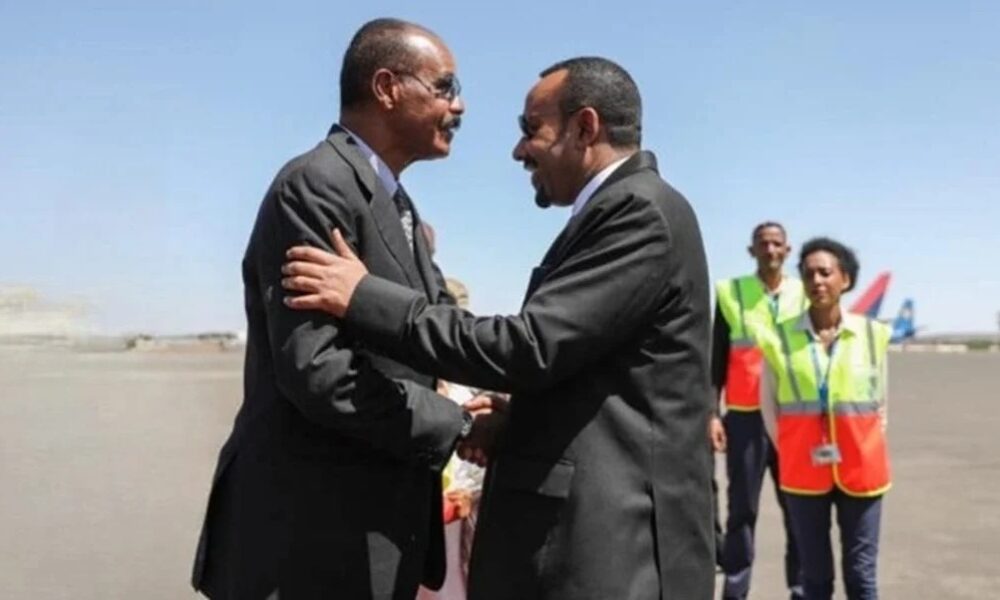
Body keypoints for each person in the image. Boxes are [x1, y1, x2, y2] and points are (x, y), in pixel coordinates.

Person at [280, 56, 716, 599]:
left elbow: (528, 347)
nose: (518, 150)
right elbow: (593, 375)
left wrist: (363, 295)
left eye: (531, 130)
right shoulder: (616, 210)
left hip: (613, 555)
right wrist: (523, 416)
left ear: (585, 127)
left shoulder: (638, 212)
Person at [190, 18, 502, 599]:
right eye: (446, 87)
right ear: (387, 87)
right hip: (310, 533)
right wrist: (457, 424)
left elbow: (435, 329)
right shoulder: (316, 184)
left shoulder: (394, 200)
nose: (460, 106)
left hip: (370, 525)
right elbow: (319, 372)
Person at [755, 238, 891, 600]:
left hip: (862, 468)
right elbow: (769, 407)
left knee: (861, 576)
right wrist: (792, 446)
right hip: (803, 469)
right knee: (814, 578)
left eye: (825, 272)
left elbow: (880, 401)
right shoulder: (780, 338)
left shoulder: (871, 334)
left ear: (844, 279)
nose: (817, 280)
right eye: (809, 273)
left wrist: (863, 440)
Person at [711, 222, 806, 600]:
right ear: (751, 251)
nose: (769, 249)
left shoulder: (806, 293)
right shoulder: (732, 293)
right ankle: (735, 591)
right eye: (762, 244)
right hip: (746, 418)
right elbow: (715, 362)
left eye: (776, 244)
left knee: (799, 511)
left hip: (794, 420)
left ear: (788, 250)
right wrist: (711, 414)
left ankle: (803, 590)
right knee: (741, 513)